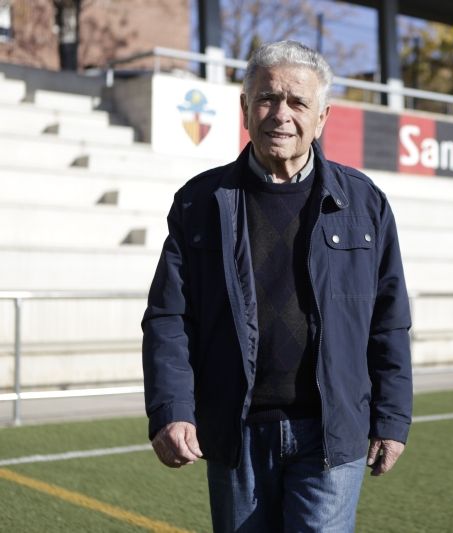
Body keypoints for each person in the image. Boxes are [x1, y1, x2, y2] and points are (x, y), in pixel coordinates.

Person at [141, 40, 413, 532]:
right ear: (245, 109)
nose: (280, 114)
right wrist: (171, 410)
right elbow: (169, 318)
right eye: (266, 98)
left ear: (323, 117)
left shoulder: (365, 203)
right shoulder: (200, 202)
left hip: (332, 434)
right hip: (236, 432)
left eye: (298, 102)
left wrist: (392, 419)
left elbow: (388, 319)